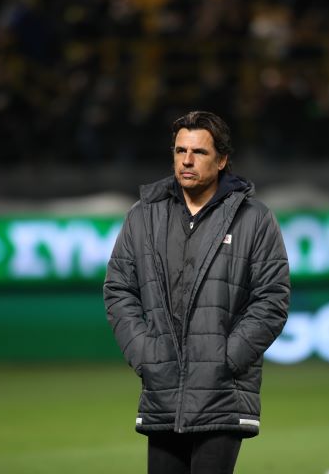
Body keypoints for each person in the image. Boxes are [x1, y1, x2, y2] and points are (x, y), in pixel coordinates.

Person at [103, 111, 290, 474]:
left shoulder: (254, 218)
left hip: (222, 394)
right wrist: (145, 355)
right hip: (162, 392)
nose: (187, 160)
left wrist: (226, 360)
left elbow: (272, 299)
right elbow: (119, 290)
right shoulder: (143, 216)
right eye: (180, 150)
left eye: (199, 152)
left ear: (221, 160)